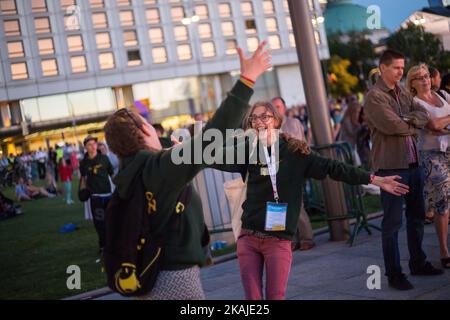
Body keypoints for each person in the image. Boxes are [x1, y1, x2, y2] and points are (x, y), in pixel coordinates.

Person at [103, 41, 272, 300]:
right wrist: (246, 81)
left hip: (150, 276)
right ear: (144, 132)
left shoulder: (132, 173)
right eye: (148, 124)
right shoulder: (158, 168)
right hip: (173, 280)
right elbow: (212, 137)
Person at [209, 99, 409, 300]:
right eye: (254, 118)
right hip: (249, 237)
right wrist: (186, 151)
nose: (259, 122)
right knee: (252, 299)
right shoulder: (248, 150)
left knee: (275, 296)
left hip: (278, 239)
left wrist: (374, 179)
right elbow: (215, 157)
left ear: (276, 121)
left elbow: (333, 167)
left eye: (265, 116)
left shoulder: (295, 152)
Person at [364, 49, 443, 291]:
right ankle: (394, 274)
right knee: (392, 223)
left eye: (402, 67)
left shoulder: (403, 93)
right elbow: (392, 125)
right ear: (383, 68)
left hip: (414, 163)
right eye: (397, 68)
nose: (401, 71)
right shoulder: (374, 96)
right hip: (390, 168)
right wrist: (410, 122)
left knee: (417, 217)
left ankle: (418, 262)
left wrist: (407, 121)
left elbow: (422, 115)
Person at [406, 63, 450, 269]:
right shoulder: (415, 103)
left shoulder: (442, 95)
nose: (426, 80)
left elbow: (440, 125)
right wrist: (441, 125)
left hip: (448, 150)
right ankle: (444, 251)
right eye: (420, 78)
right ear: (412, 83)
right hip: (432, 156)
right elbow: (432, 125)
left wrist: (443, 124)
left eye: (427, 76)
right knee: (443, 201)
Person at [271, 96, 315, 251]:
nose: (276, 109)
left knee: (297, 203)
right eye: (273, 107)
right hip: (277, 171)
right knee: (283, 205)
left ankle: (306, 237)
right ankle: (292, 238)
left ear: (284, 107)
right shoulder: (270, 127)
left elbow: (296, 144)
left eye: (278, 106)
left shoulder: (292, 123)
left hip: (294, 168)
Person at [79, 135, 115, 257]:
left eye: (94, 144)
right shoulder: (84, 163)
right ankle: (103, 246)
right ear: (85, 147)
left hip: (108, 196)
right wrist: (82, 190)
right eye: (89, 144)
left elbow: (112, 175)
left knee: (111, 222)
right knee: (99, 223)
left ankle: (113, 245)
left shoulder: (104, 158)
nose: (93, 146)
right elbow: (83, 179)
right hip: (95, 197)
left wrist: (120, 187)